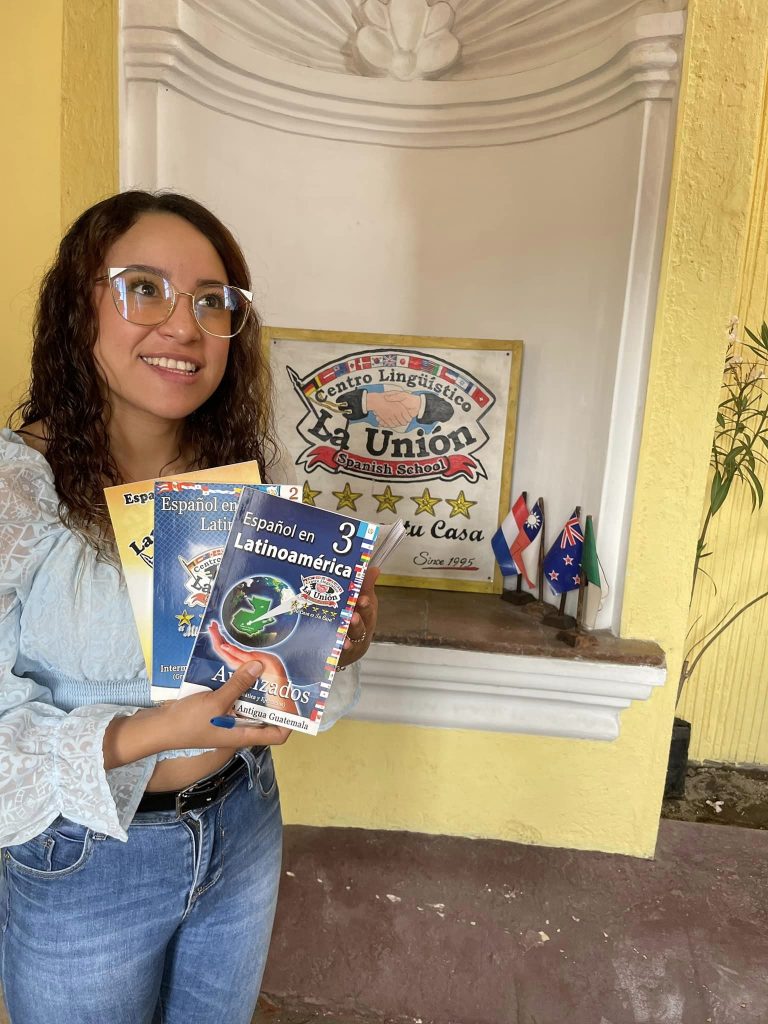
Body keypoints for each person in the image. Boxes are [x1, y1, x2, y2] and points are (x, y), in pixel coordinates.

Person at [0, 191, 380, 1024]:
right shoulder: (15, 492)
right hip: (85, 860)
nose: (184, 325)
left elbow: (273, 666)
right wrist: (155, 731)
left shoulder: (243, 480)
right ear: (76, 307)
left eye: (213, 301)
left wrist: (334, 641)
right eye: (144, 288)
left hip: (244, 820)